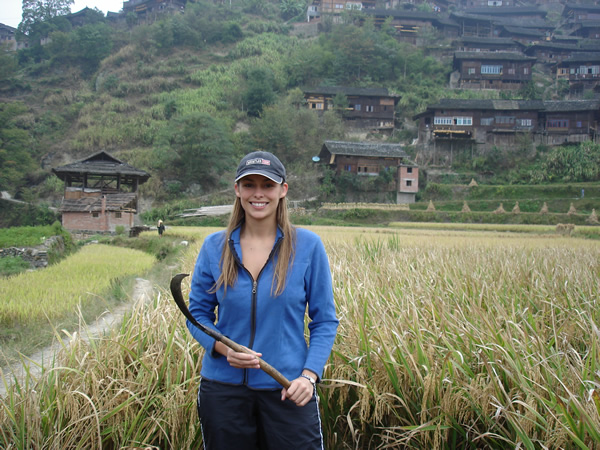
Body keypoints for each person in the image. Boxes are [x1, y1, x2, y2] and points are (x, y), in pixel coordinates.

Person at [186, 151, 339, 449]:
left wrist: (308, 377)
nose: (258, 193)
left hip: (287, 388)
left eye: (267, 186)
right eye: (249, 184)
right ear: (237, 190)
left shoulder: (307, 246)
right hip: (223, 391)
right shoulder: (214, 247)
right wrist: (221, 347)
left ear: (282, 191)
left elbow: (324, 320)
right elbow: (197, 315)